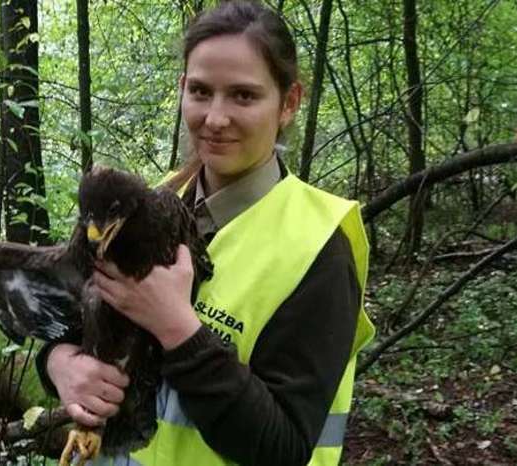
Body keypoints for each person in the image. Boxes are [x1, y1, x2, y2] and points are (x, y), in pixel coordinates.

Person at [36, 1, 374, 465]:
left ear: (289, 103)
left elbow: (285, 448)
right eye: (200, 91)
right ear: (181, 90)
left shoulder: (318, 247)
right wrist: (58, 365)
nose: (215, 118)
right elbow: (77, 319)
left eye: (243, 96)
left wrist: (177, 328)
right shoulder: (149, 205)